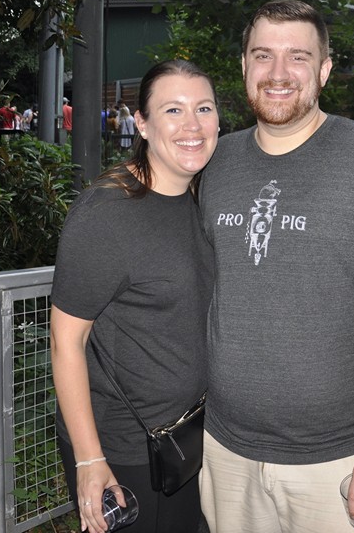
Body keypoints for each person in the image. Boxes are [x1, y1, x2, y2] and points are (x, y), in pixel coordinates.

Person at [197, 0, 354, 533]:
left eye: (299, 57)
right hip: (226, 451)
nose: (279, 73)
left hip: (342, 461)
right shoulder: (215, 163)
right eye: (263, 56)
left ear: (324, 70)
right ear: (243, 66)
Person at [51, 60, 220, 533]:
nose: (192, 125)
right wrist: (89, 460)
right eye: (173, 109)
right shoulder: (107, 214)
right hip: (123, 448)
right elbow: (67, 341)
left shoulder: (201, 198)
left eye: (203, 108)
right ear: (141, 124)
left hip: (186, 437)